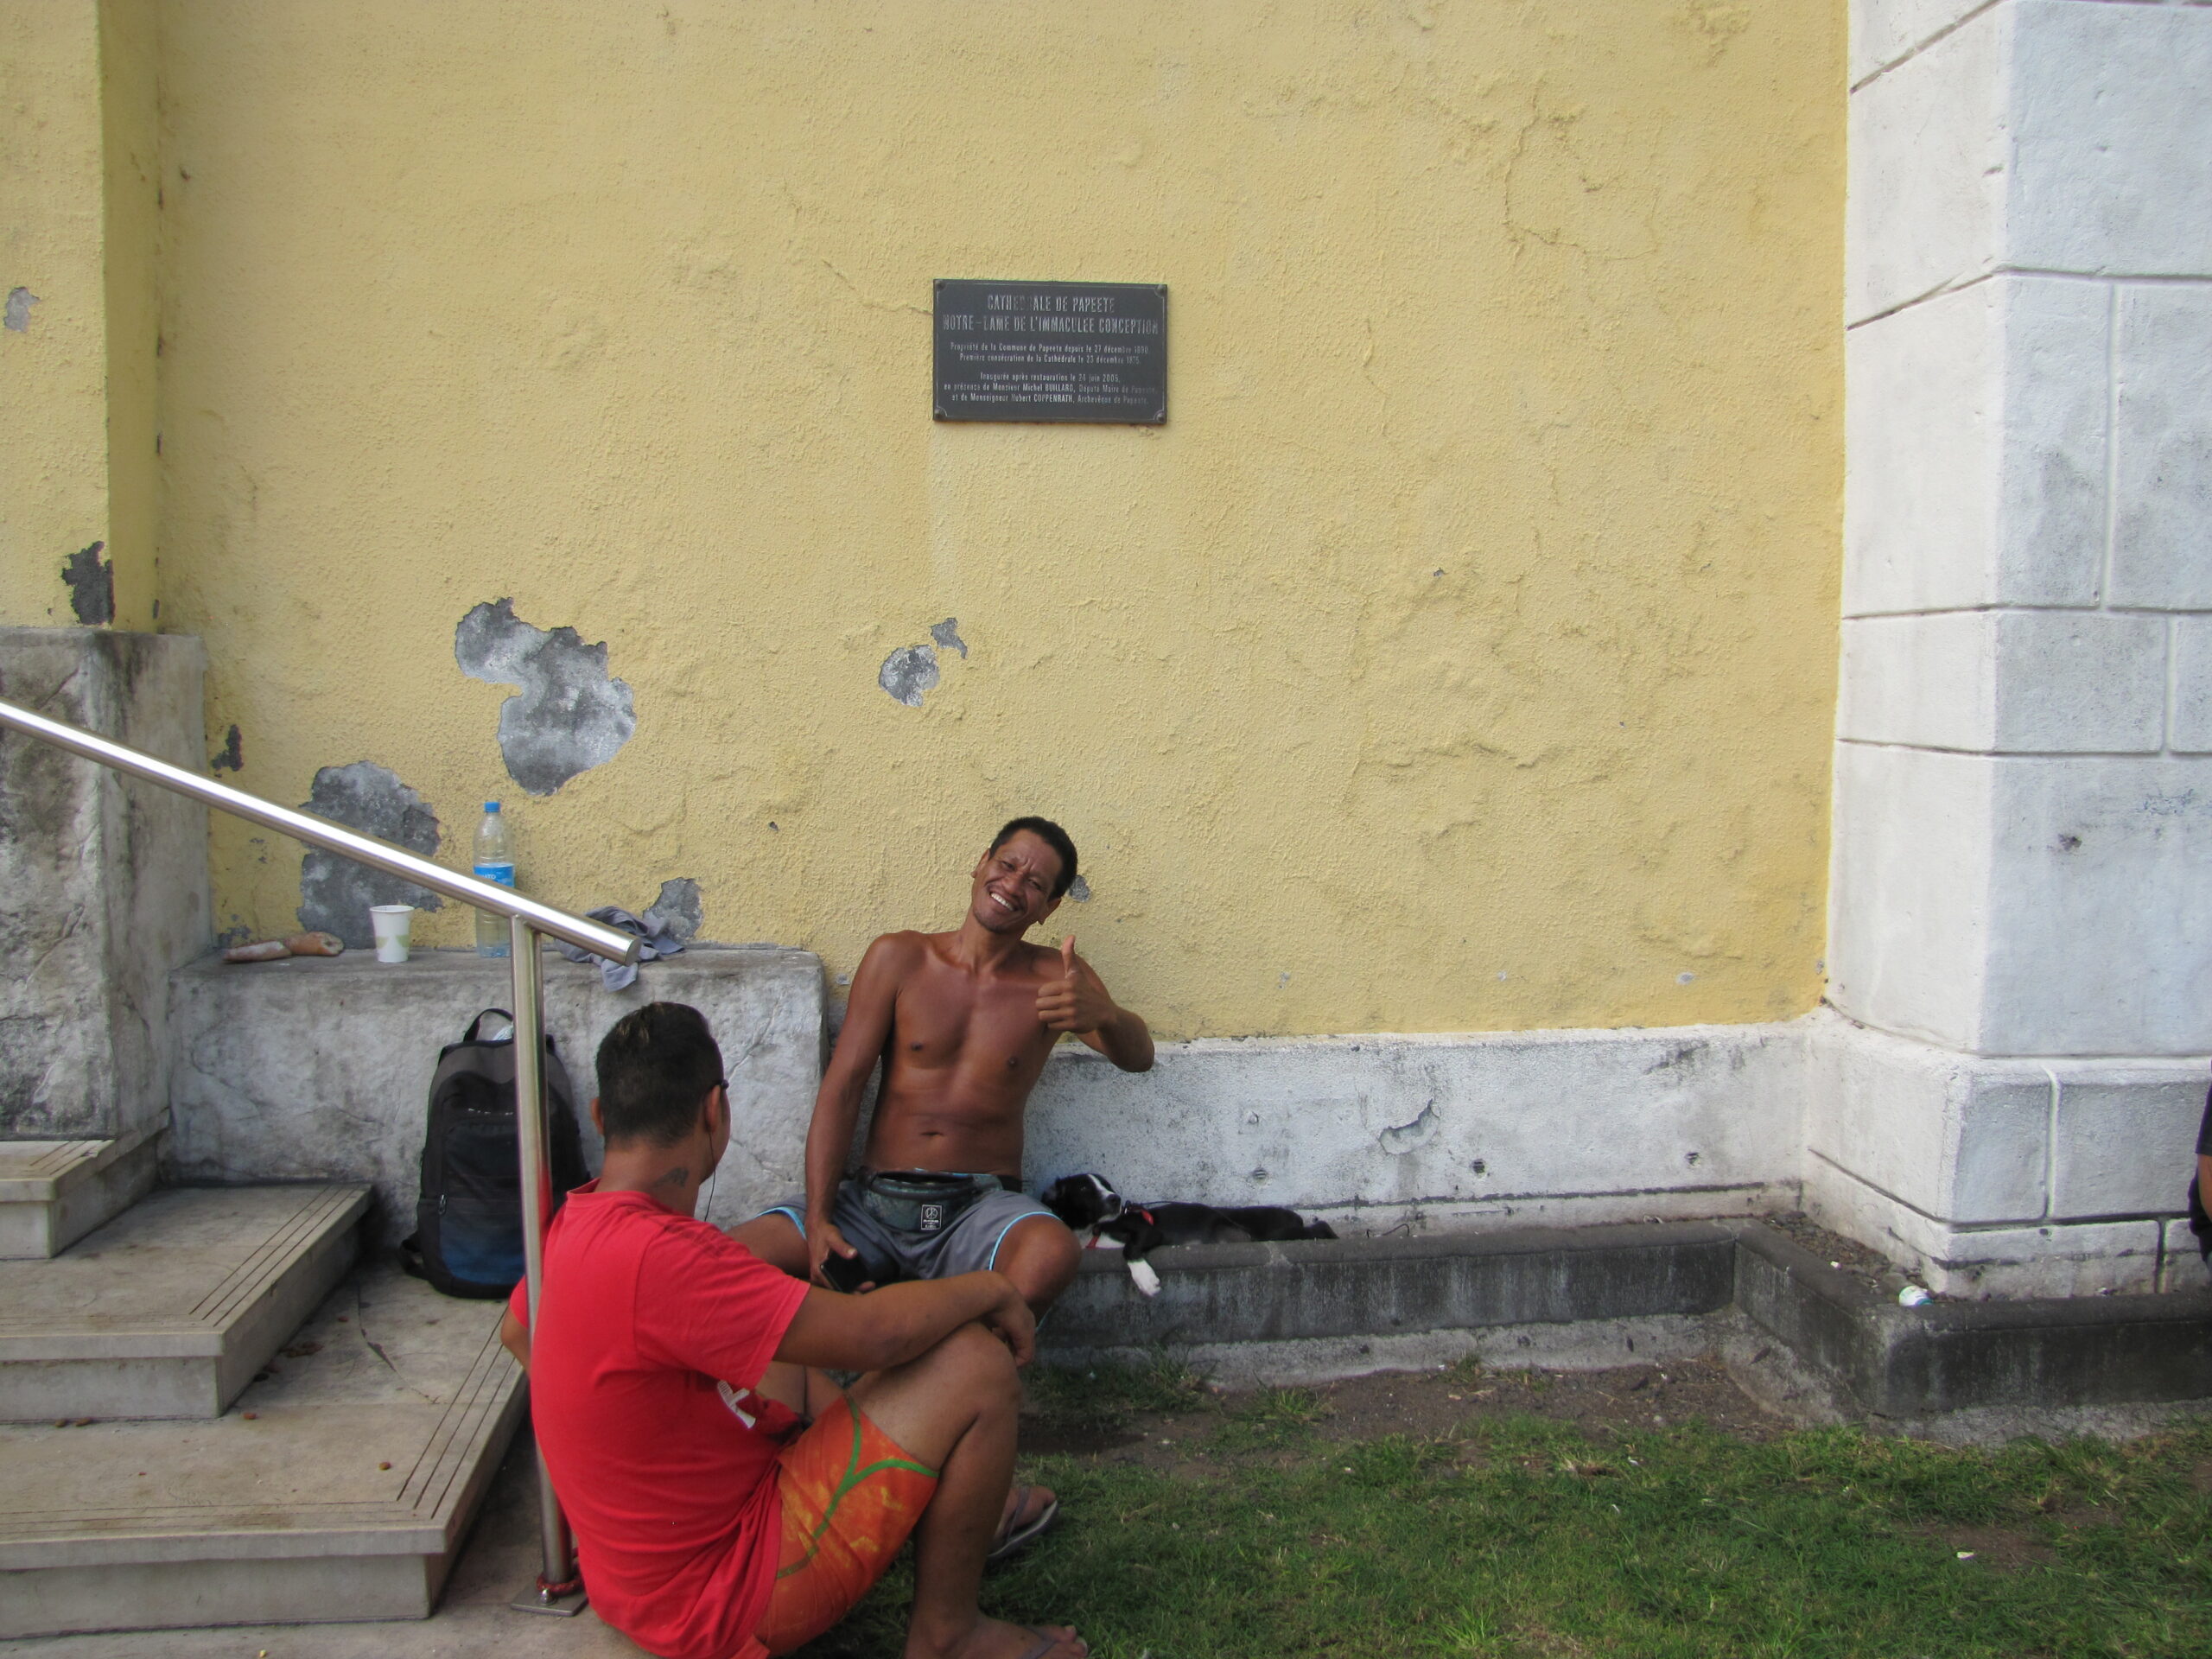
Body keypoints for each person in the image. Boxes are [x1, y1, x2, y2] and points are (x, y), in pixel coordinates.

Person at [499, 1001, 1085, 1659]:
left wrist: (651, 1454)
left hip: (639, 1580)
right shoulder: (663, 1259)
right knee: (975, 1362)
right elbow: (876, 1338)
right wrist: (990, 1287)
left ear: (601, 1115)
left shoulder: (574, 1221)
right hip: (728, 1599)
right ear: (714, 1112)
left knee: (781, 1337)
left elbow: (519, 1332)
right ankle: (949, 1634)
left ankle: (936, 1518)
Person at [729, 817, 1154, 1315]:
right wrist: (820, 1220)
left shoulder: (1056, 980)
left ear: (1049, 908)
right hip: (873, 1203)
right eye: (1006, 865)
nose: (1012, 885)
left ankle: (924, 1344)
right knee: (734, 1257)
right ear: (980, 864)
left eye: (1035, 884)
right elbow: (843, 1088)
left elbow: (1138, 1058)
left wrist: (1106, 1013)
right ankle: (938, 1326)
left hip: (981, 1209)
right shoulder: (900, 957)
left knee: (1052, 1254)